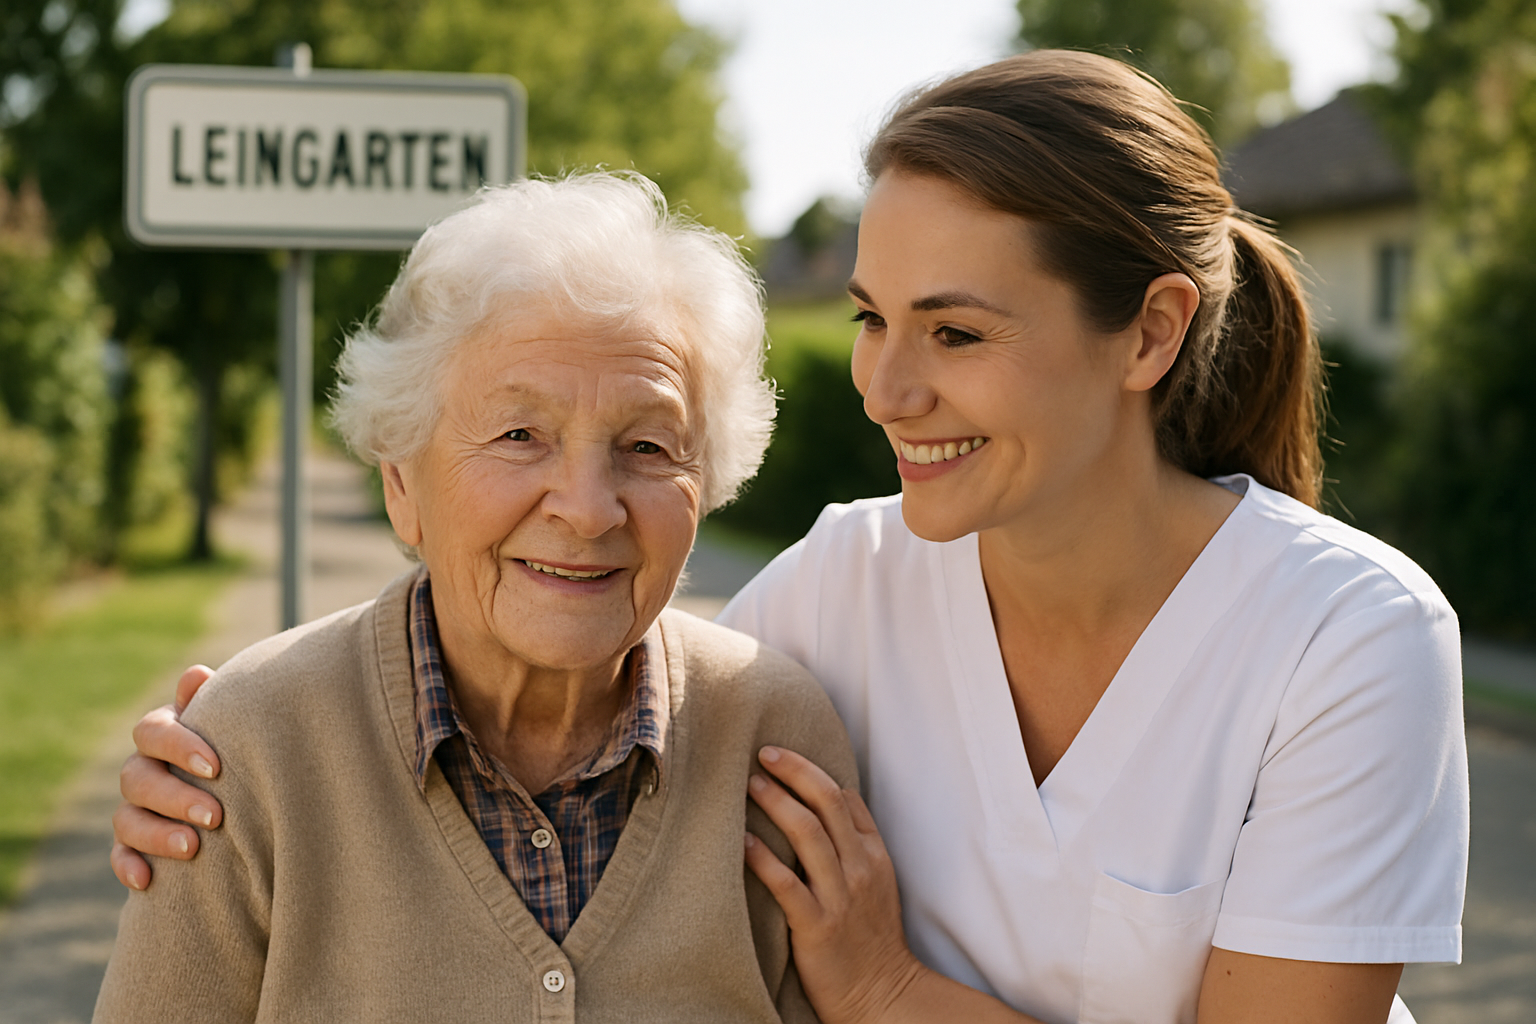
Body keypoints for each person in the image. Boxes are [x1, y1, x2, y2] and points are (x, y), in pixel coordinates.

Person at [111, 51, 1468, 1024]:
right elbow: (596, 665)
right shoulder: (833, 596)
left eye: (955, 331)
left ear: (1153, 332)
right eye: (871, 319)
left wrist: (884, 987)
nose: (886, 387)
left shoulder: (1348, 636)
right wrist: (212, 762)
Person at [93, 171, 856, 1023]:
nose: (588, 508)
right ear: (400, 483)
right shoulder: (249, 751)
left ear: (706, 483)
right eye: (519, 435)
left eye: (647, 446)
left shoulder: (777, 742)